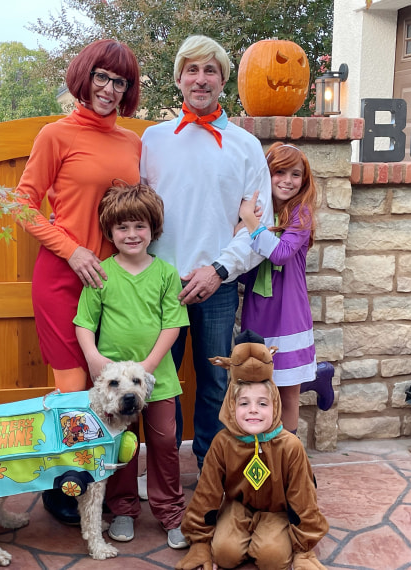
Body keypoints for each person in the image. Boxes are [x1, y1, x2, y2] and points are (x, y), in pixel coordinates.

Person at [15, 39, 141, 525]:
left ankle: (103, 485)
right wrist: (72, 249)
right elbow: (21, 204)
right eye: (102, 77)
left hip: (114, 284)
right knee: (72, 389)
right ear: (85, 78)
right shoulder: (55, 135)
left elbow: (139, 213)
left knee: (112, 384)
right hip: (63, 278)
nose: (110, 89)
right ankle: (64, 488)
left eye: (121, 81)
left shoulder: (134, 143)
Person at [140, 35, 274, 470]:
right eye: (192, 70)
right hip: (161, 285)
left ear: (223, 81)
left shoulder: (245, 146)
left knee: (217, 381)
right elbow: (138, 213)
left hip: (217, 285)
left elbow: (259, 225)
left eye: (210, 71)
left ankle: (212, 474)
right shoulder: (153, 141)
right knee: (159, 385)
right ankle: (163, 478)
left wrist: (218, 270)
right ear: (179, 79)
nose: (201, 79)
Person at [73, 182, 190, 550]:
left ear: (152, 229)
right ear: (110, 232)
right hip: (112, 386)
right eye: (122, 228)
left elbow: (173, 323)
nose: (131, 234)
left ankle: (171, 512)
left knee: (164, 442)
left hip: (160, 380)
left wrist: (148, 370)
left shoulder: (166, 274)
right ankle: (122, 509)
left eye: (139, 226)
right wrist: (93, 358)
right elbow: (84, 323)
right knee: (119, 445)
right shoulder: (101, 273)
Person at [175, 331, 328, 570]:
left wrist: (304, 549)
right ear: (231, 406)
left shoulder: (290, 446)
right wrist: (200, 543)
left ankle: (276, 541)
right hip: (237, 507)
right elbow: (207, 493)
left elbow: (304, 499)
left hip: (276, 511)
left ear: (275, 404)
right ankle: (235, 538)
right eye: (244, 403)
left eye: (263, 403)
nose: (253, 410)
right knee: (224, 555)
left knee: (272, 559)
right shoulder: (222, 442)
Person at [237, 143, 319, 434]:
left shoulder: (301, 214)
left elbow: (281, 253)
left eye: (295, 174)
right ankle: (263, 453)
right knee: (258, 392)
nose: (287, 180)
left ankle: (290, 458)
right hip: (259, 311)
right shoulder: (260, 212)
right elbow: (244, 270)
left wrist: (251, 224)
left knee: (288, 392)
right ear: (266, 175)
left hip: (289, 313)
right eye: (279, 172)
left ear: (304, 180)